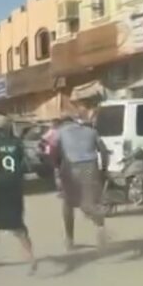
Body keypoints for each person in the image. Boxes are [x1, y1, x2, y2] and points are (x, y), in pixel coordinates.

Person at [0, 115, 36, 273]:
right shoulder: (17, 144)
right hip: (14, 187)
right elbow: (27, 164)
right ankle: (31, 257)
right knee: (18, 224)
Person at [53, 98, 109, 251]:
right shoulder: (92, 132)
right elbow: (104, 152)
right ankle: (100, 228)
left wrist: (57, 169)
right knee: (91, 202)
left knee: (68, 203)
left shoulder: (60, 133)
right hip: (90, 167)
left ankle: (69, 239)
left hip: (70, 168)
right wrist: (104, 170)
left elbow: (53, 152)